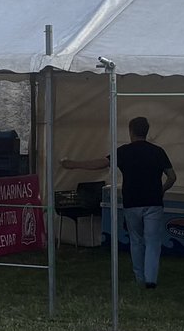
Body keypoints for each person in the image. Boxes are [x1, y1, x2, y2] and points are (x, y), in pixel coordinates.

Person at [63, 116, 177, 289]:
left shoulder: (123, 151)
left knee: (136, 240)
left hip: (132, 202)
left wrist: (73, 164)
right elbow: (172, 177)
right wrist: (161, 190)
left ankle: (139, 278)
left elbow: (100, 164)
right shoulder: (158, 151)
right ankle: (151, 280)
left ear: (130, 131)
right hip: (153, 202)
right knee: (153, 241)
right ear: (147, 131)